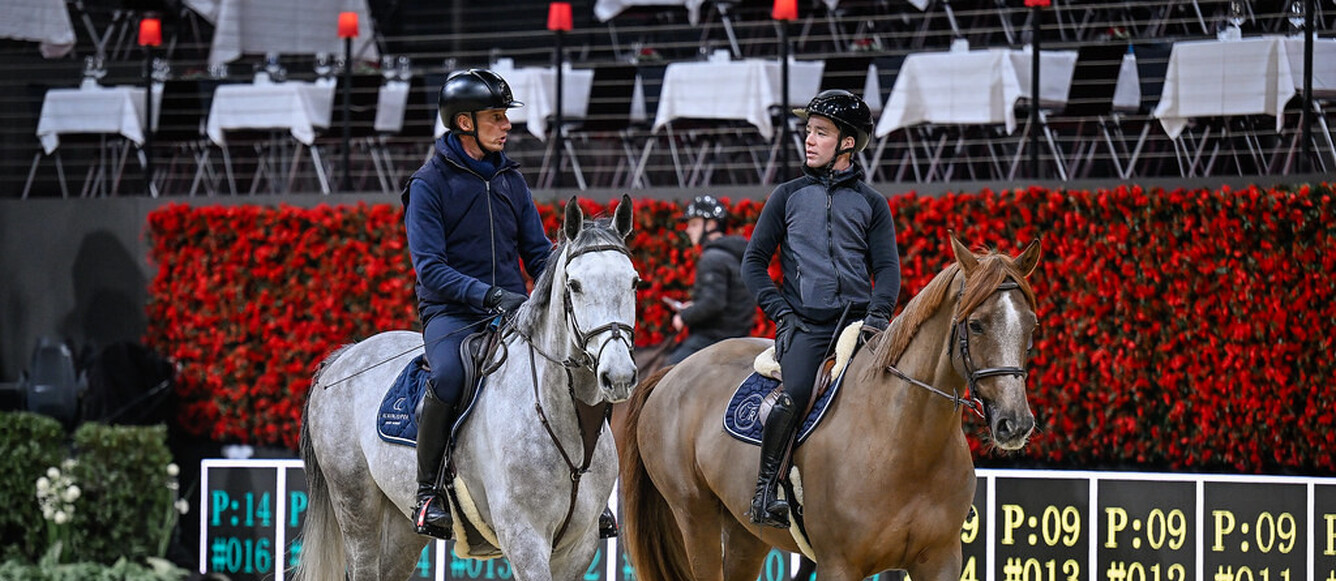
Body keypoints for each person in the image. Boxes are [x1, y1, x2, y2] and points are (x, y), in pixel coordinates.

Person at [402, 68, 553, 539]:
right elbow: (430, 269)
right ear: (464, 123)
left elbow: (539, 253)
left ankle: (581, 489)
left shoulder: (510, 178)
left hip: (512, 311)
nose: (506, 124)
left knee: (574, 367)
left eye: (506, 115)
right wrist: (487, 295)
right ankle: (428, 492)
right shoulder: (428, 185)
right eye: (496, 116)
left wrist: (565, 283)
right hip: (452, 314)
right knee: (447, 377)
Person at [741, 89, 901, 528]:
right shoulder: (786, 196)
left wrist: (879, 316)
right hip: (805, 327)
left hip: (860, 324)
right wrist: (782, 312)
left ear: (847, 143)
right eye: (809, 131)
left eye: (821, 133)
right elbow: (753, 263)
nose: (809, 140)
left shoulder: (872, 204)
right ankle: (765, 492)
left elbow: (887, 270)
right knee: (792, 395)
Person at [665, 195, 756, 365]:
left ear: (711, 225)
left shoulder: (712, 258)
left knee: (664, 375)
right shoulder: (733, 255)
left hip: (714, 338)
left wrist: (684, 316)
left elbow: (713, 303)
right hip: (736, 335)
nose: (688, 230)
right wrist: (693, 306)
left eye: (694, 224)